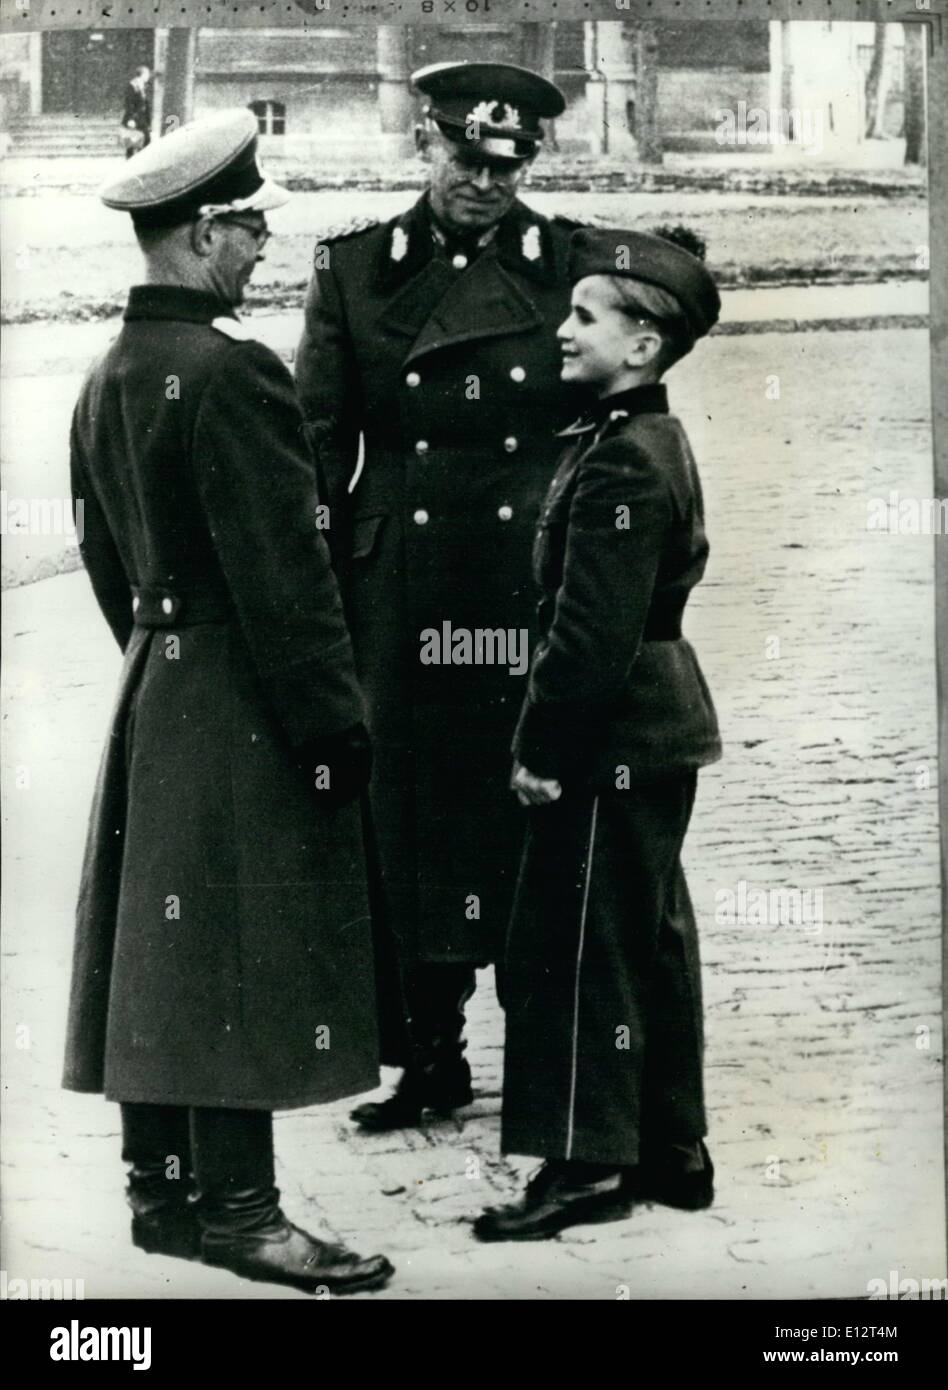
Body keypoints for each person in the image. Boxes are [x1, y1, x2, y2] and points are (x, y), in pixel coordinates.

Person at [62, 109, 393, 1295]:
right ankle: (246, 1216)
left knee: (162, 951)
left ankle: (161, 1198)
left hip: (157, 694)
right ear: (205, 233)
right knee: (237, 959)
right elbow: (286, 577)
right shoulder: (236, 372)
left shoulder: (112, 375)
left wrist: (170, 660)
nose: (265, 248)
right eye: (253, 227)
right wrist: (333, 726)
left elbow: (105, 560)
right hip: (245, 707)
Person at [296, 61, 583, 1131]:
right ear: (425, 146)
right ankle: (430, 1055)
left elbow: (611, 410)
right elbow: (321, 443)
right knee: (408, 814)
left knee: (523, 800)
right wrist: (321, 589)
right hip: (400, 588)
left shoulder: (571, 264)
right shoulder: (358, 268)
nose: (485, 182)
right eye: (465, 159)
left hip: (519, 578)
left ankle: (548, 1055)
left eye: (506, 167)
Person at [474, 227, 723, 1242]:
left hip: (614, 736)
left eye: (586, 316)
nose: (563, 331)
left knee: (573, 950)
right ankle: (670, 1150)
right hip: (655, 731)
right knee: (646, 941)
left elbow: (587, 637)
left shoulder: (623, 460)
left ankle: (582, 1165)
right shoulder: (634, 437)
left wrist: (540, 751)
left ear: (644, 346)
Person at [121, 65, 152, 158]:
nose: (148, 76)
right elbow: (129, 103)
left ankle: (139, 158)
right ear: (142, 74)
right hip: (134, 118)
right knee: (131, 141)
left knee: (145, 139)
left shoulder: (143, 85)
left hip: (142, 118)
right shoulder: (132, 85)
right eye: (147, 74)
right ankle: (130, 160)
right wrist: (130, 119)